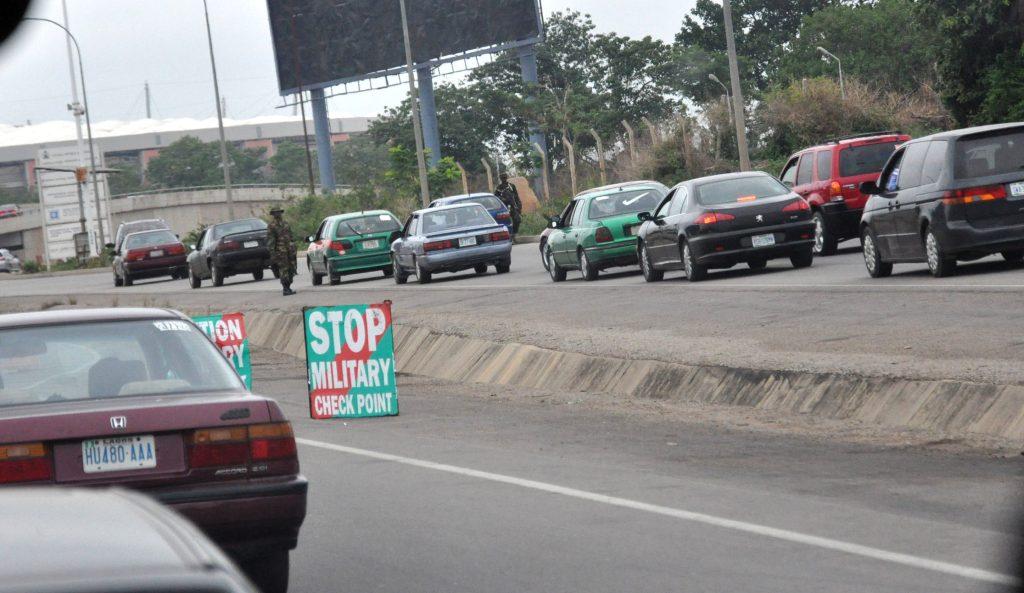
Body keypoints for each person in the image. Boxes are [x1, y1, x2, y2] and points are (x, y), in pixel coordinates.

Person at [267, 206, 297, 296]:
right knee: (284, 269)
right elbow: (270, 241)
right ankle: (285, 288)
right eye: (275, 212)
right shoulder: (271, 226)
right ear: (273, 214)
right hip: (280, 251)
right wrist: (272, 254)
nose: (278, 214)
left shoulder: (285, 223)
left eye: (279, 212)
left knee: (292, 268)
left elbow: (291, 236)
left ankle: (289, 285)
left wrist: (294, 246)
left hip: (289, 250)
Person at [494, 172, 522, 238]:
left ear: (506, 178)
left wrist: (519, 206)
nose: (504, 179)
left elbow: (516, 197)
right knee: (505, 222)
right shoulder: (499, 188)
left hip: (513, 206)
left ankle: (514, 234)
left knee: (517, 220)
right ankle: (507, 234)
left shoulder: (511, 186)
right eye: (502, 178)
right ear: (500, 179)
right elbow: (496, 198)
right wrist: (502, 199)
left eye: (505, 177)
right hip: (504, 207)